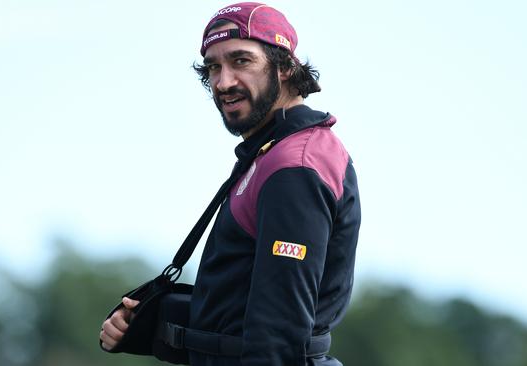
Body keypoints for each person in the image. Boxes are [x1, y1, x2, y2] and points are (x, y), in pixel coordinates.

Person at [100, 3, 361, 365]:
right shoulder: (272, 153)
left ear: (284, 66)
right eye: (213, 67)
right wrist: (150, 326)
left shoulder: (295, 166)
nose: (223, 82)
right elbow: (240, 304)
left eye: (241, 61)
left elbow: (278, 336)